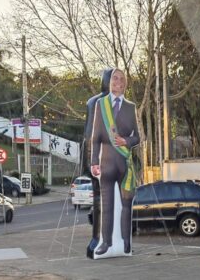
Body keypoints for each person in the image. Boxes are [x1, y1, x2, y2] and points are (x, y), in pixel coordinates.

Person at [91, 68, 140, 258]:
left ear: (125, 83)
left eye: (121, 78)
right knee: (107, 206)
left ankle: (126, 241)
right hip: (106, 163)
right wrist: (94, 161)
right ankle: (106, 242)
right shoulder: (100, 105)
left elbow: (138, 136)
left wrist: (126, 141)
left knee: (127, 203)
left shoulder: (131, 107)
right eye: (114, 78)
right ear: (109, 83)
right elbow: (95, 137)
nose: (117, 81)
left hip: (125, 164)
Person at [84, 68, 111, 259]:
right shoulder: (96, 103)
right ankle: (99, 239)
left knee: (108, 200)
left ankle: (105, 240)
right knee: (101, 200)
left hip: (106, 157)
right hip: (101, 157)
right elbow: (90, 135)